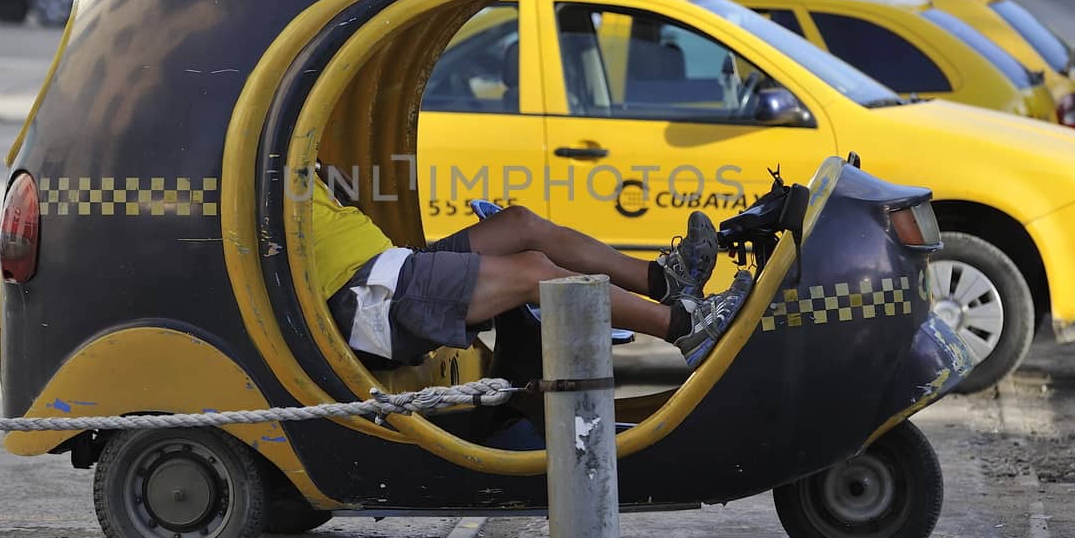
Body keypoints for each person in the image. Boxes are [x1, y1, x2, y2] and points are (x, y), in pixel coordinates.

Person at [311, 173, 753, 369]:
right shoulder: (253, 164)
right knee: (532, 271)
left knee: (520, 224)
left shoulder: (287, 155)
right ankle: (682, 327)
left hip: (391, 265)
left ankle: (663, 281)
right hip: (370, 297)